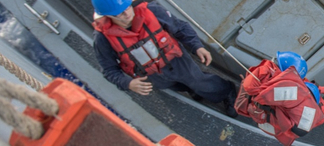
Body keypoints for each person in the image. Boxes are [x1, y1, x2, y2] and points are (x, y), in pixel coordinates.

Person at [91, 0, 238, 117]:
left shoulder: (152, 11)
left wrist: (197, 46)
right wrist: (127, 83)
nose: (126, 14)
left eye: (127, 7)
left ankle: (227, 91)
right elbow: (109, 69)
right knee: (177, 85)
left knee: (198, 81)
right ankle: (192, 89)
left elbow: (180, 28)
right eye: (119, 14)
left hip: (176, 61)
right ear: (107, 16)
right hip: (151, 75)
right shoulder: (102, 39)